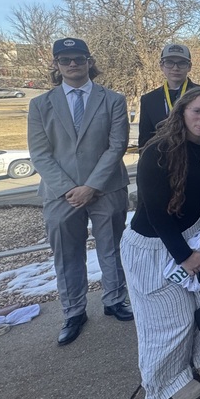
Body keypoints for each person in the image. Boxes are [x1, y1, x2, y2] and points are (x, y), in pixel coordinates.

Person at [121, 87, 200, 399]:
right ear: (182, 111)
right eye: (198, 111)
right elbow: (156, 214)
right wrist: (184, 256)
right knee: (172, 317)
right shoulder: (157, 152)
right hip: (155, 245)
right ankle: (167, 378)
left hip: (198, 234)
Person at [27, 38, 132, 347]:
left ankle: (115, 300)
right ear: (56, 65)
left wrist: (92, 186)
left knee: (111, 249)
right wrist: (71, 189)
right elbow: (40, 153)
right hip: (61, 195)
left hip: (107, 188)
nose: (72, 64)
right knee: (67, 255)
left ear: (89, 61)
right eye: (65, 59)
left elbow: (117, 145)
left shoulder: (113, 100)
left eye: (78, 58)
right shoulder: (40, 104)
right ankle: (73, 312)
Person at [137, 43, 199, 149]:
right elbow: (145, 139)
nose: (175, 68)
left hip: (197, 159)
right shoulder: (149, 100)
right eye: (169, 62)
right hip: (161, 160)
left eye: (182, 63)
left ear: (189, 67)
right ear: (161, 65)